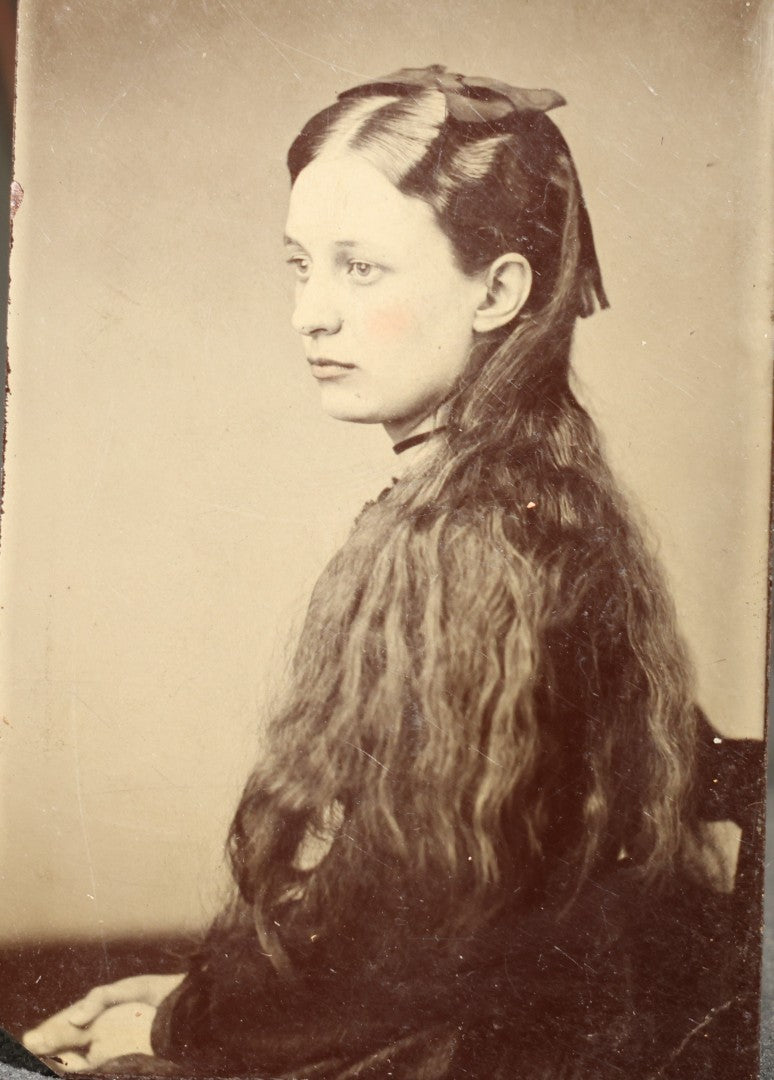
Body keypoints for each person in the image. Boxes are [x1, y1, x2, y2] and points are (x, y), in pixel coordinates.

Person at [22, 65, 763, 1079]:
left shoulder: (475, 542)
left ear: (498, 290)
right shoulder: (540, 495)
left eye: (359, 270)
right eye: (299, 266)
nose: (308, 315)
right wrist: (193, 1001)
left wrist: (178, 1029)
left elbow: (399, 925)